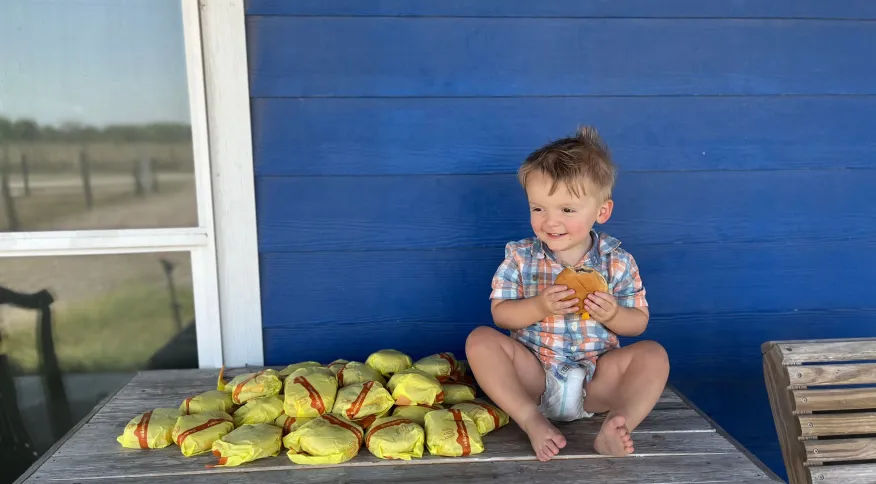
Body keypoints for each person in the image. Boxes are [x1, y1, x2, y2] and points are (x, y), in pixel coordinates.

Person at [465, 126, 670, 462]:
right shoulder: (520, 257)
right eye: (538, 208)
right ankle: (530, 419)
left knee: (654, 355)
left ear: (601, 212)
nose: (550, 221)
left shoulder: (617, 261)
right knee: (480, 341)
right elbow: (501, 315)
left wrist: (614, 315)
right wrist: (539, 305)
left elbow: (638, 324)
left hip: (596, 381)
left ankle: (617, 426)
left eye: (567, 210)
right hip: (534, 376)